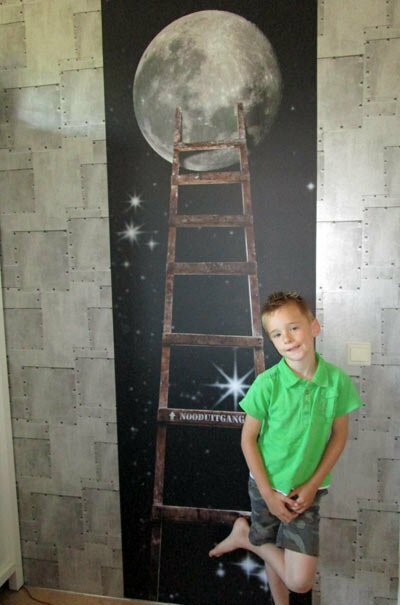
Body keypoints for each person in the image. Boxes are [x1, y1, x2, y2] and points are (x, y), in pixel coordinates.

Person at [209, 291, 363, 605]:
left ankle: (246, 538)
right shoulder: (267, 383)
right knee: (273, 549)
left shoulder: (336, 382)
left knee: (300, 581)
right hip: (265, 486)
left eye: (294, 328)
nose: (287, 339)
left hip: (307, 492)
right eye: (277, 334)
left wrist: (313, 484)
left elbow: (339, 436)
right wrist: (267, 494)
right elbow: (248, 439)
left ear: (313, 327)